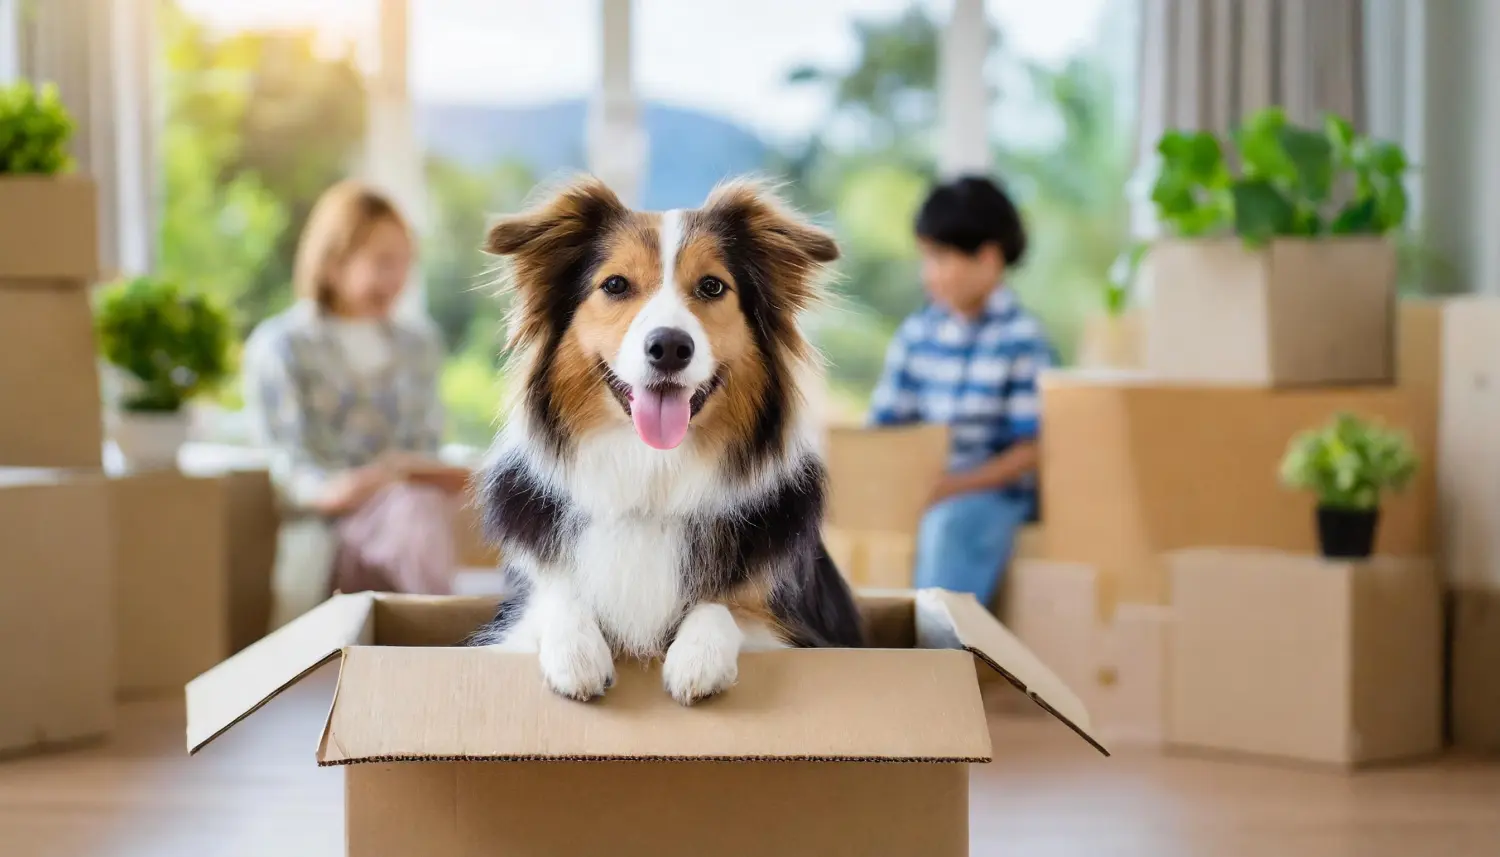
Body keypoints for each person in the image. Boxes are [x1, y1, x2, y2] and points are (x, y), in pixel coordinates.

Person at [242, 180, 470, 629]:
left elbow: (426, 445)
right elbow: (290, 466)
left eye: (405, 263)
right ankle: (447, 641)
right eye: (383, 262)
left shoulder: (419, 345)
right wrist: (358, 484)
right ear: (332, 262)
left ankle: (439, 635)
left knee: (418, 507)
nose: (397, 279)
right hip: (330, 535)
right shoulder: (282, 346)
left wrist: (416, 472)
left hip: (411, 525)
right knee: (413, 512)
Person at [867, 175, 1055, 607]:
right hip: (926, 484)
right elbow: (884, 425)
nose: (927, 274)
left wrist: (955, 485)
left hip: (993, 493)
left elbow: (1032, 449)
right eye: (925, 258)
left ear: (988, 258)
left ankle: (939, 652)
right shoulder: (918, 334)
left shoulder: (1022, 339)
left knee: (949, 525)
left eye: (939, 257)